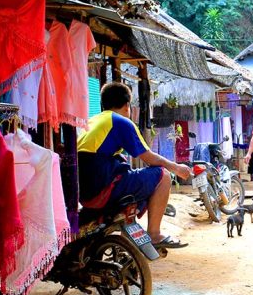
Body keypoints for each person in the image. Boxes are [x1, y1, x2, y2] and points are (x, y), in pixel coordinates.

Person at [77, 82, 192, 249]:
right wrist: (176, 167)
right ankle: (154, 234)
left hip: (85, 194)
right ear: (127, 106)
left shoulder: (92, 121)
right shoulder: (121, 121)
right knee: (162, 175)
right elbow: (148, 157)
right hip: (103, 188)